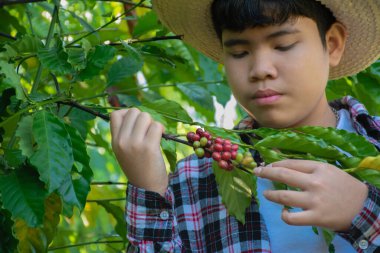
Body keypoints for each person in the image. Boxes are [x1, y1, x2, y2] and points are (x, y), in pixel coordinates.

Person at [110, 0, 380, 252]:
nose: (260, 69)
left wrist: (364, 211)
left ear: (332, 44)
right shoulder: (191, 182)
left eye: (283, 45)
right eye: (239, 52)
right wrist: (150, 189)